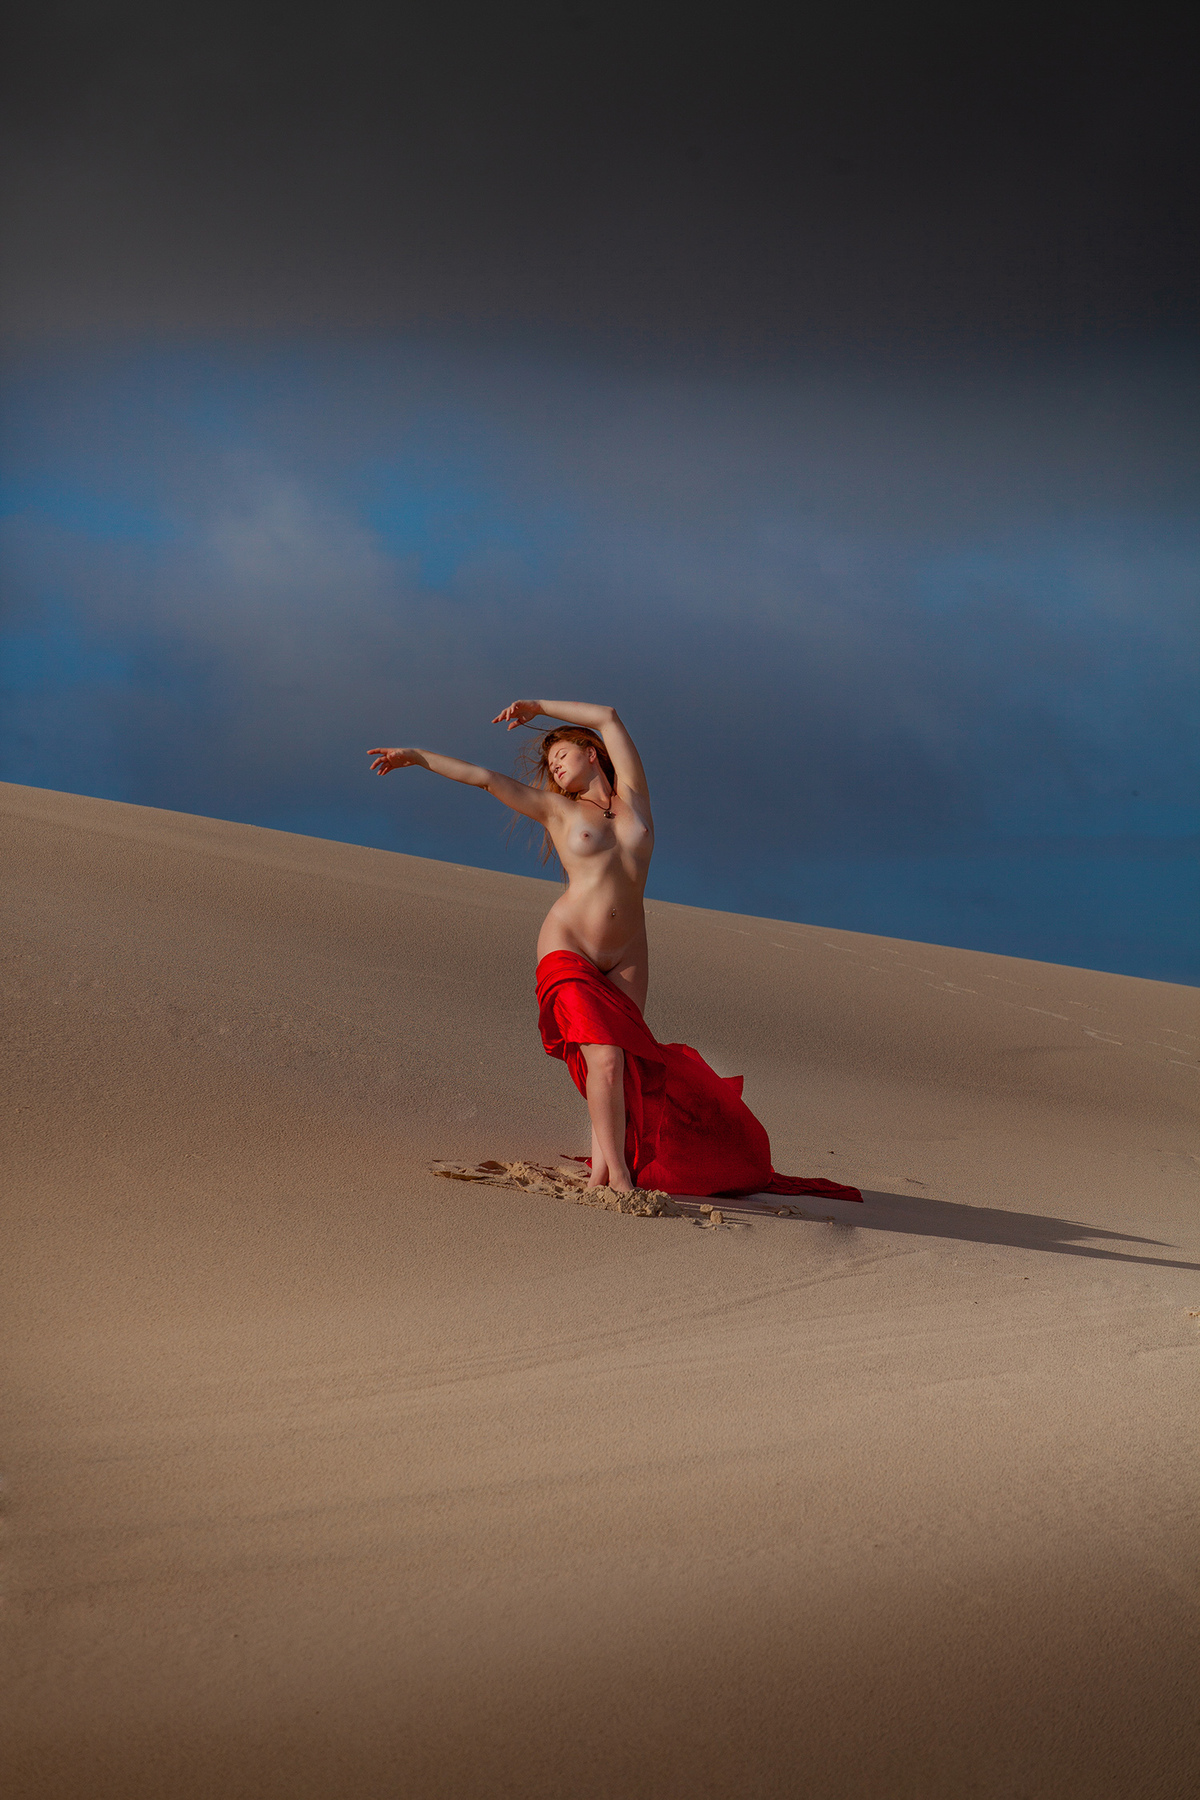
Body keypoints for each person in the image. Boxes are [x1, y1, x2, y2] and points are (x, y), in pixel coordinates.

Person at [369, 701, 860, 1204]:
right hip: (569, 946)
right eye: (551, 763)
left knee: (621, 1066)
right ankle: (619, 1179)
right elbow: (485, 779)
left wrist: (538, 706)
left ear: (592, 753)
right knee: (604, 1059)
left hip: (629, 951)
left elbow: (607, 715)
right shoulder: (556, 809)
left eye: (561, 754)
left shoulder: (636, 800)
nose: (555, 766)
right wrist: (417, 756)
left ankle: (604, 1167)